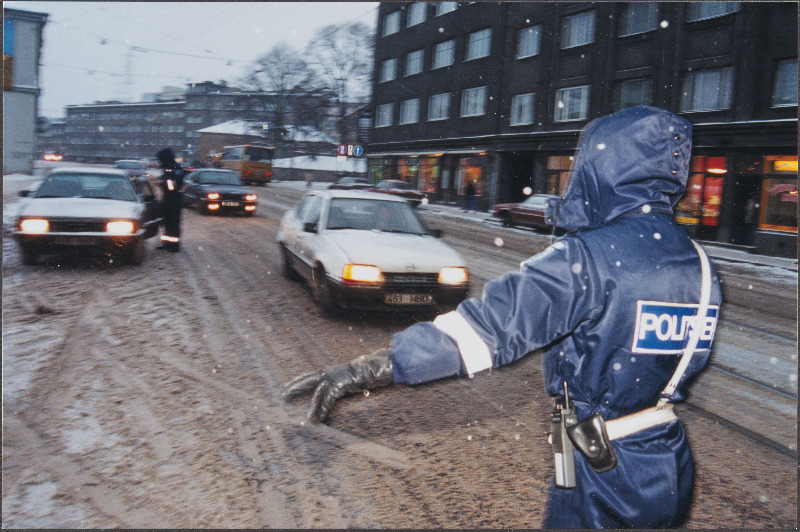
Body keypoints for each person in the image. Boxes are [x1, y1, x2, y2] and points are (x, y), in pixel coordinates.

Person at [282, 106, 723, 528]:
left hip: (602, 471)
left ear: (604, 169)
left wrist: (372, 369)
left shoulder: (590, 257)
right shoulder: (700, 263)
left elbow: (485, 330)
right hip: (664, 459)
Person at [155, 147, 185, 252]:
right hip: (167, 199)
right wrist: (160, 180)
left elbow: (173, 186)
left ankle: (174, 246)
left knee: (173, 223)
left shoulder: (176, 168)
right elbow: (166, 178)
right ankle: (166, 243)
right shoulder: (168, 167)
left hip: (174, 200)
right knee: (166, 222)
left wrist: (162, 182)